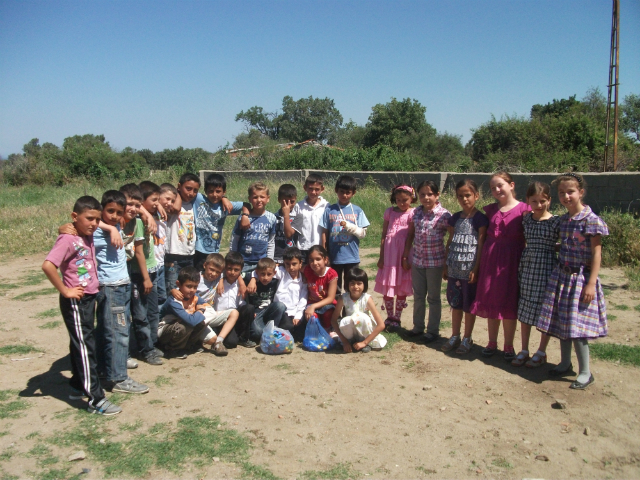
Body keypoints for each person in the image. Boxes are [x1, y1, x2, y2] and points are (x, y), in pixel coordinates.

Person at [42, 196, 122, 415]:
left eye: (97, 219)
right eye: (89, 219)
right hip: (75, 300)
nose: (94, 224)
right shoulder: (68, 239)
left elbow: (98, 223)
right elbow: (48, 265)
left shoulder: (86, 233)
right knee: (86, 347)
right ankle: (96, 399)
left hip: (88, 297)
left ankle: (77, 385)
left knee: (80, 342)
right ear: (75, 217)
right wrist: (66, 290)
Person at [537, 173, 608, 389]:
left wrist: (591, 283)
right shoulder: (565, 220)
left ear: (581, 192)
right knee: (563, 322)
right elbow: (568, 243)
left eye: (571, 192)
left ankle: (585, 371)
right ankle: (565, 363)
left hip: (580, 280)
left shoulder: (590, 220)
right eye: (562, 193)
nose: (566, 196)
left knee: (578, 328)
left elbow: (596, 252)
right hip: (562, 277)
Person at [470, 171, 531, 361]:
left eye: (500, 185)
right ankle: (492, 342)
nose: (497, 190)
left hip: (512, 263)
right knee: (492, 300)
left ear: (511, 185)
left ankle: (508, 346)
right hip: (490, 261)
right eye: (493, 187)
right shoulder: (489, 210)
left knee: (509, 302)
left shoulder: (525, 210)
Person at [94, 190, 149, 393]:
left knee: (108, 330)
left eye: (119, 212)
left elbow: (136, 206)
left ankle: (104, 370)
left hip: (120, 284)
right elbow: (80, 223)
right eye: (110, 211)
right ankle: (118, 379)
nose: (115, 216)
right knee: (118, 333)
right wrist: (109, 227)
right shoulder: (100, 228)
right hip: (111, 286)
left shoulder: (116, 224)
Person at [513, 182, 560, 367]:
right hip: (528, 266)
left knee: (544, 310)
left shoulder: (556, 221)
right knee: (525, 308)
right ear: (527, 201)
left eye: (543, 201)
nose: (539, 205)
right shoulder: (526, 220)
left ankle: (541, 351)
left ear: (549, 200)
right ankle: (524, 349)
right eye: (534, 201)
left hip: (547, 267)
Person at [441, 180, 488, 354]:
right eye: (460, 196)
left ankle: (467, 338)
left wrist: (476, 269)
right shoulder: (454, 218)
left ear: (476, 196)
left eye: (468, 195)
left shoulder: (480, 219)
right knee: (456, 303)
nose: (464, 199)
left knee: (468, 305)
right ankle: (455, 335)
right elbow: (450, 241)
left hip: (470, 271)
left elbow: (481, 244)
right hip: (454, 268)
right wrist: (446, 264)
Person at [402, 180, 451, 340]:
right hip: (418, 261)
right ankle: (418, 327)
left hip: (435, 263)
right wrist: (406, 255)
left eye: (430, 194)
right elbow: (411, 235)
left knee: (434, 298)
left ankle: (432, 331)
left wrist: (447, 261)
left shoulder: (444, 214)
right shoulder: (416, 212)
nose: (426, 197)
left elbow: (453, 234)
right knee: (418, 295)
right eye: (422, 194)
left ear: (437, 195)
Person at [168, 253, 240, 356]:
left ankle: (219, 341)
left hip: (209, 313)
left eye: (217, 272)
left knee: (234, 313)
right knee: (211, 338)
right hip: (196, 314)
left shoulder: (219, 277)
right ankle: (198, 342)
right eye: (211, 269)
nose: (213, 274)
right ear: (205, 265)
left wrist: (226, 281)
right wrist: (173, 290)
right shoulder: (196, 278)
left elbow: (232, 272)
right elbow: (182, 288)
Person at [374, 185, 416, 330]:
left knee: (401, 287)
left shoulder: (412, 213)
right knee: (388, 285)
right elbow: (384, 235)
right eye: (398, 200)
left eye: (405, 200)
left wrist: (405, 256)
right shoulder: (389, 212)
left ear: (412, 198)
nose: (401, 203)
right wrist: (381, 257)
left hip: (403, 254)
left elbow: (411, 236)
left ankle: (397, 317)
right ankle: (389, 316)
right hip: (389, 255)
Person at [157, 267, 221, 358]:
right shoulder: (174, 301)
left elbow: (211, 312)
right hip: (166, 330)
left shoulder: (194, 296)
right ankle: (172, 349)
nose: (192, 290)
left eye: (195, 287)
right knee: (185, 326)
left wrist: (200, 312)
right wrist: (200, 310)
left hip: (183, 324)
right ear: (178, 284)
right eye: (189, 286)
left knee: (200, 322)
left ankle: (188, 346)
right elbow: (191, 321)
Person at [320, 175, 370, 292]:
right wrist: (324, 251)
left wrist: (350, 226)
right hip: (335, 257)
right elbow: (324, 231)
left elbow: (362, 233)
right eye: (342, 192)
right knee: (334, 288)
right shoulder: (329, 210)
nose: (344, 195)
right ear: (336, 190)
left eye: (348, 192)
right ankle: (335, 309)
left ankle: (349, 310)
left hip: (351, 257)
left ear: (354, 193)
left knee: (351, 287)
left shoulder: (357, 210)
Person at [193, 173, 247, 271]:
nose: (214, 195)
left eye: (218, 191)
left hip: (214, 250)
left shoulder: (226, 206)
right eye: (211, 191)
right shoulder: (199, 199)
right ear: (205, 191)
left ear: (224, 192)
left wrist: (245, 215)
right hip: (197, 249)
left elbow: (246, 205)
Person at [331, 268, 387, 353]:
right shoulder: (343, 298)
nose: (355, 287)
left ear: (364, 285)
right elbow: (333, 320)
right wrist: (345, 341)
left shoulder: (367, 299)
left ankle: (365, 343)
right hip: (351, 332)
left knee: (360, 317)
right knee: (345, 320)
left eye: (359, 283)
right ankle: (351, 342)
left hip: (365, 332)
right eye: (352, 283)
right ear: (347, 284)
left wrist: (365, 342)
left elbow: (381, 325)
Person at [230, 181, 277, 275]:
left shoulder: (271, 218)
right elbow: (234, 239)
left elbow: (271, 242)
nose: (259, 200)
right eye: (255, 197)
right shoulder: (243, 218)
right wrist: (233, 259)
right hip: (243, 261)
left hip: (261, 262)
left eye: (262, 197)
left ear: (268, 199)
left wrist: (269, 261)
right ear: (250, 199)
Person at [164, 173, 200, 293]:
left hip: (189, 254)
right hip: (173, 255)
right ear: (179, 186)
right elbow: (176, 209)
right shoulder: (171, 203)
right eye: (188, 188)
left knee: (187, 288)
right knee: (172, 288)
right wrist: (178, 194)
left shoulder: (193, 204)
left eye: (195, 190)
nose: (191, 193)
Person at [212, 252, 256, 348]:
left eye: (236, 270)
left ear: (240, 271)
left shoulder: (241, 285)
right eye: (229, 269)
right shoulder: (217, 282)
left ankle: (243, 338)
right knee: (231, 343)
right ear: (224, 268)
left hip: (235, 315)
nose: (232, 272)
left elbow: (242, 303)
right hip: (221, 317)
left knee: (249, 308)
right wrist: (220, 279)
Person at [245, 257, 291, 341]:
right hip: (256, 313)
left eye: (269, 274)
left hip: (270, 310)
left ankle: (273, 328)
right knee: (258, 332)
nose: (265, 278)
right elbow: (240, 275)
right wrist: (252, 279)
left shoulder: (276, 280)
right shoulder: (250, 279)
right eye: (262, 274)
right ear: (257, 272)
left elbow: (287, 267)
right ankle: (268, 332)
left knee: (280, 306)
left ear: (274, 273)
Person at [292, 173, 329, 260]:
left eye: (317, 189)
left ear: (322, 189)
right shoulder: (298, 206)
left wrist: (325, 248)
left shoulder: (326, 206)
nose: (313, 192)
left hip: (320, 247)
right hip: (303, 248)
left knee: (318, 272)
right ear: (305, 188)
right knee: (304, 272)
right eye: (310, 189)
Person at [274, 247, 308, 341]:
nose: (291, 268)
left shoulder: (303, 280)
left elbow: (303, 299)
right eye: (287, 264)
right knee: (287, 328)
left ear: (300, 263)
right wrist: (253, 279)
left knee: (301, 334)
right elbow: (265, 269)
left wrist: (298, 316)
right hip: (283, 312)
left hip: (297, 311)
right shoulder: (282, 272)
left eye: (294, 264)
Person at [303, 245, 338, 332]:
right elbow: (297, 268)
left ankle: (328, 330)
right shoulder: (307, 270)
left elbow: (330, 298)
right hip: (312, 303)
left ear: (325, 260)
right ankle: (316, 332)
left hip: (327, 305)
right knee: (312, 317)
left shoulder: (331, 274)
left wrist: (313, 306)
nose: (314, 263)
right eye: (311, 260)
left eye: (318, 259)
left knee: (328, 313)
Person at [155, 183, 178, 306]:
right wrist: (157, 204)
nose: (169, 203)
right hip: (151, 265)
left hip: (160, 263)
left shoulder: (164, 215)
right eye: (167, 199)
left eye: (172, 201)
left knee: (161, 296)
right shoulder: (150, 213)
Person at [273, 184, 300, 265]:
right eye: (285, 201)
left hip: (292, 258)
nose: (288, 205)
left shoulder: (298, 217)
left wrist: (286, 215)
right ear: (279, 200)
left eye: (292, 201)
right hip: (276, 257)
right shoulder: (273, 217)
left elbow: (288, 234)